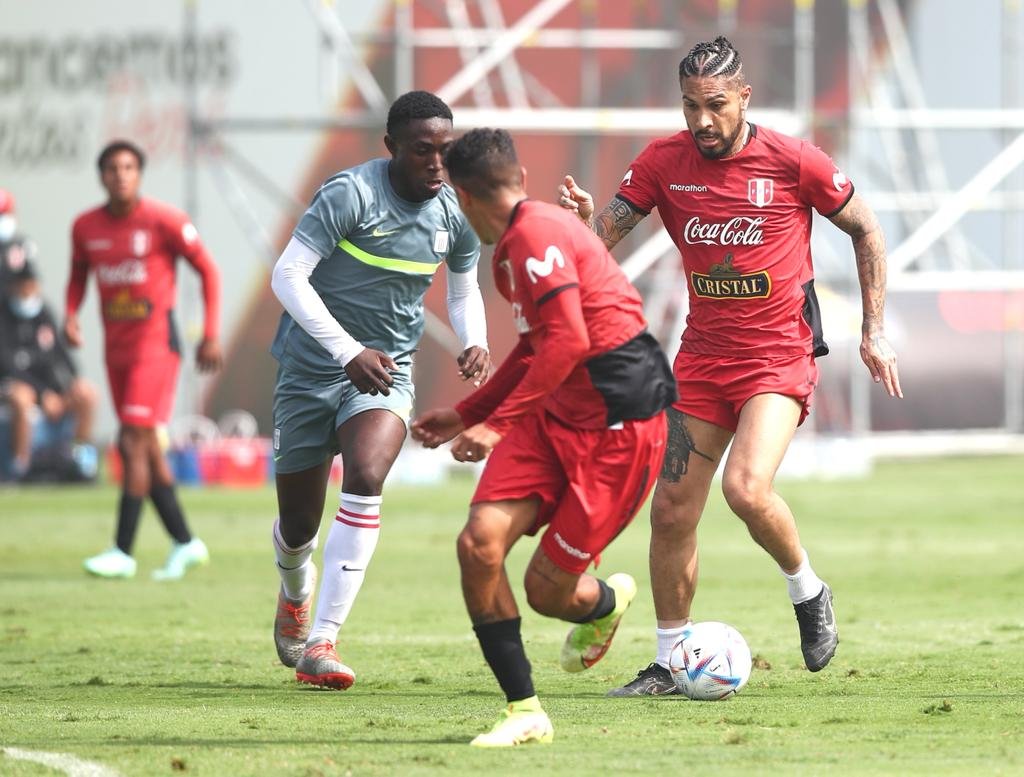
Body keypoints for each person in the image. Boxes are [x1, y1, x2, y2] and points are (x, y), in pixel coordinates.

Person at [557, 36, 903, 695]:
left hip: (778, 358)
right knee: (671, 509)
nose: (702, 121)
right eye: (690, 107)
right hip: (703, 361)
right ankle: (667, 659)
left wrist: (874, 329)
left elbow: (866, 227)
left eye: (715, 105)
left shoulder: (792, 158)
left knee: (745, 488)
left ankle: (808, 589)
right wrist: (580, 225)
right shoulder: (663, 161)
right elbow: (601, 236)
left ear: (744, 97)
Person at [411, 128, 677, 746]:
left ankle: (606, 603)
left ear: (462, 197)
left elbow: (569, 341)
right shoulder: (517, 244)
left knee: (545, 593)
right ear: (521, 180)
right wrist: (468, 409)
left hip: (620, 419)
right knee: (479, 545)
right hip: (555, 411)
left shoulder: (532, 237)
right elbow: (536, 346)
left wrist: (495, 424)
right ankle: (525, 710)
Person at [268, 91, 490, 689]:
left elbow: (464, 290)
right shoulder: (351, 194)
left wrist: (475, 339)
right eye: (423, 150)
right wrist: (347, 352)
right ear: (392, 147)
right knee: (298, 528)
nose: (438, 163)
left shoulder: (456, 211)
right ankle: (295, 589)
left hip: (387, 370)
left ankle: (323, 641)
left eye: (447, 150)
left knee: (367, 475)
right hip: (310, 371)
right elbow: (286, 275)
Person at [65, 139, 222, 580]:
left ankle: (122, 550)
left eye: (129, 167)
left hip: (156, 347)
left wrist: (209, 334)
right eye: (112, 167)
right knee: (147, 450)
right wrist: (71, 314)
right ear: (101, 176)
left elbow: (208, 269)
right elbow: (78, 274)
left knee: (131, 442)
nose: (120, 174)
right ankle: (185, 542)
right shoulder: (86, 226)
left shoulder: (163, 220)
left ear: (139, 174)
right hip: (116, 349)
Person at [1, 258, 97, 481]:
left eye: (31, 284)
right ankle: (20, 467)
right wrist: (44, 396)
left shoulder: (43, 312)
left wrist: (70, 387)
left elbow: (62, 356)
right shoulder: (3, 316)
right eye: (23, 285)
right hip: (16, 390)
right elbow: (8, 366)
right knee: (22, 396)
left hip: (51, 393)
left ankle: (80, 461)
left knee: (87, 393)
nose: (28, 290)